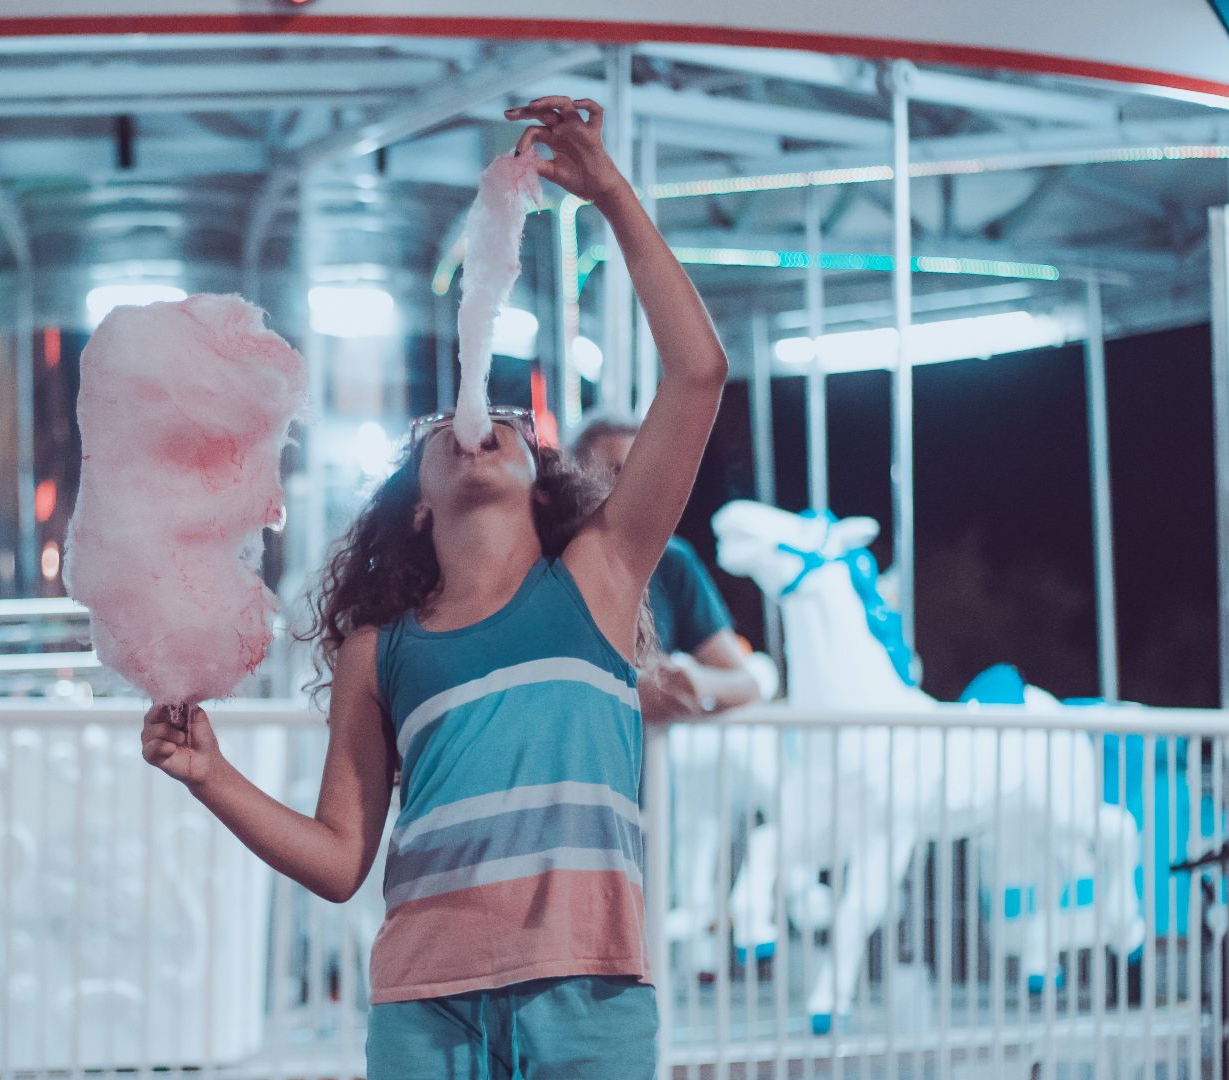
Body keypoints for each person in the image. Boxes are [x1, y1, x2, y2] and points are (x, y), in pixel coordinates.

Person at [139, 95, 725, 1078]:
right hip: (423, 1009)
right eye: (443, 432)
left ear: (540, 477)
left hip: (590, 1000)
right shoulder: (382, 649)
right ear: (416, 504)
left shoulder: (600, 577)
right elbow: (337, 860)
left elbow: (698, 373)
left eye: (508, 420)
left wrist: (612, 195)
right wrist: (212, 775)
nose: (477, 421)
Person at [570, 415, 764, 719]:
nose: (631, 488)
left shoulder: (672, 561)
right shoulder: (546, 561)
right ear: (574, 481)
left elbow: (746, 685)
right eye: (614, 473)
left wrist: (692, 682)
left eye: (643, 475)